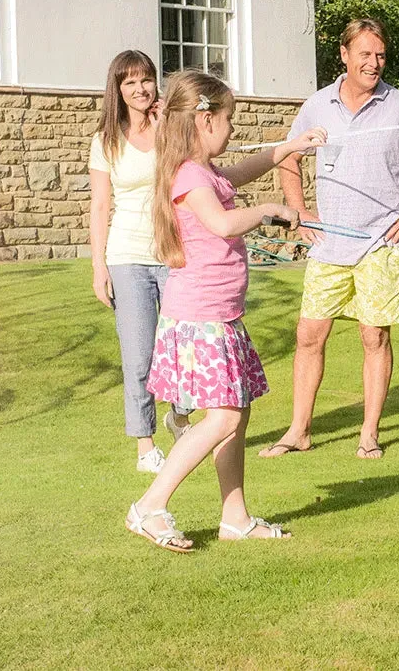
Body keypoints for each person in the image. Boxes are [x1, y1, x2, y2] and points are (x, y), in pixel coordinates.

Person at [124, 71, 326, 552]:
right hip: (200, 319)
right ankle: (149, 506)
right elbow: (219, 223)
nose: (233, 129)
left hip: (221, 315)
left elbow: (248, 167)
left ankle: (234, 517)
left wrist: (292, 145)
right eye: (229, 119)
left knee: (239, 412)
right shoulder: (190, 176)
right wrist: (268, 211)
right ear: (206, 119)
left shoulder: (206, 172)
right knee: (222, 417)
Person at [260, 18, 399, 460]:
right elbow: (288, 159)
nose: (374, 63)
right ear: (344, 54)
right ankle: (299, 431)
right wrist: (299, 212)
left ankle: (368, 434)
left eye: (381, 55)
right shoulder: (317, 105)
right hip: (330, 244)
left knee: (375, 338)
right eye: (365, 55)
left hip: (383, 245)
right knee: (309, 335)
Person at [89, 50, 191, 473]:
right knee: (139, 355)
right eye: (130, 82)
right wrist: (99, 268)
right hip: (126, 258)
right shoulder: (105, 140)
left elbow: (193, 171)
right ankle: (145, 446)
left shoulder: (170, 130)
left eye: (146, 79)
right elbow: (98, 207)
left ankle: (181, 419)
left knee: (184, 347)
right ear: (118, 89)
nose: (140, 88)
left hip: (172, 253)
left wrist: (173, 123)